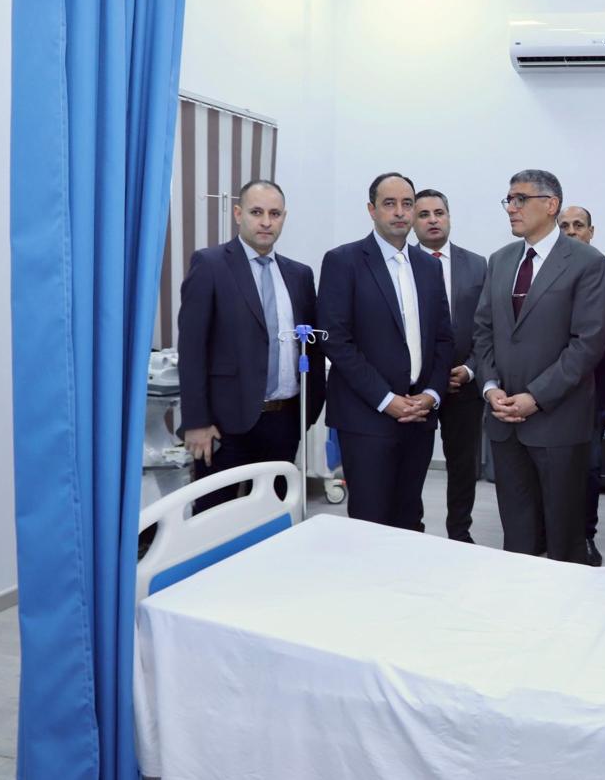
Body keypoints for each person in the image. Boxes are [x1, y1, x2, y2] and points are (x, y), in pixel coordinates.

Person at [472, 170, 605, 563]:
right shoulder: (501, 261)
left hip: (558, 422)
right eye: (509, 200)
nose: (511, 208)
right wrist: (490, 387)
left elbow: (587, 343)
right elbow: (483, 330)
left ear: (551, 205)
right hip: (504, 421)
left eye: (520, 199)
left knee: (563, 538)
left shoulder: (586, 262)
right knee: (517, 535)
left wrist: (535, 396)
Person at [178, 179, 325, 513]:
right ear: (237, 213)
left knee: (274, 516)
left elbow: (311, 347)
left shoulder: (299, 275)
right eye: (257, 212)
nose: (266, 222)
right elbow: (192, 349)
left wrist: (309, 410)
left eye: (275, 214)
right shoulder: (210, 265)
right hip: (224, 425)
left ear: (284, 217)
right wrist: (196, 422)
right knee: (216, 518)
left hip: (284, 421)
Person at [317, 173, 454, 531]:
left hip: (419, 416)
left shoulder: (429, 266)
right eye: (389, 204)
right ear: (372, 209)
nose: (400, 212)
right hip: (366, 418)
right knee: (370, 523)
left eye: (407, 204)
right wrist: (385, 399)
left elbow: (443, 339)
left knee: (410, 520)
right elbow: (337, 340)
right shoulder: (343, 261)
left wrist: (432, 394)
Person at [557, 205, 605, 567]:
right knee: (551, 466)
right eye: (564, 226)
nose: (572, 231)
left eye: (578, 225)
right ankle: (551, 533)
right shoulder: (545, 271)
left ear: (591, 231)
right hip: (549, 390)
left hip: (594, 390)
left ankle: (585, 536)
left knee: (589, 467)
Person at [411, 188, 487, 542]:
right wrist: (433, 376)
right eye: (424, 214)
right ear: (413, 221)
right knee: (412, 465)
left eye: (438, 213)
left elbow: (489, 326)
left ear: (449, 217)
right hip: (417, 386)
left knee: (463, 466)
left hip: (464, 384)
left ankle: (460, 533)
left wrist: (471, 368)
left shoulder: (478, 265)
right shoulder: (402, 263)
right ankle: (413, 530)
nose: (432, 220)